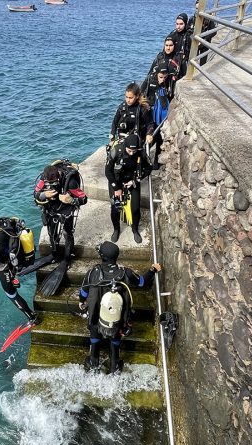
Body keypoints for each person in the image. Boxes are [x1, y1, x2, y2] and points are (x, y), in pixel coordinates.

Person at [79, 241, 162, 373]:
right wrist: (153, 270)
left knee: (94, 333)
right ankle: (115, 365)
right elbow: (142, 282)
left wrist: (81, 302)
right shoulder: (126, 273)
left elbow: (83, 292)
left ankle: (93, 363)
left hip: (96, 316)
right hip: (117, 318)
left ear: (102, 256)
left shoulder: (92, 273)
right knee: (115, 337)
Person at [33, 159, 87, 296]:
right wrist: (44, 195)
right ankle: (55, 253)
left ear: (58, 176)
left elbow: (84, 199)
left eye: (54, 183)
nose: (51, 186)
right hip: (50, 209)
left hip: (66, 210)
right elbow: (35, 194)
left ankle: (67, 258)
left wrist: (71, 199)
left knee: (67, 233)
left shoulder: (70, 181)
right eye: (48, 184)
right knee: (52, 233)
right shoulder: (43, 180)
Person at [106, 88, 153, 244]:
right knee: (115, 207)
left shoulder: (139, 152)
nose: (128, 100)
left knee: (135, 207)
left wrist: (135, 181)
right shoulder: (116, 152)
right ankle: (116, 229)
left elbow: (148, 167)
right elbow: (108, 171)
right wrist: (116, 187)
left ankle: (134, 229)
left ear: (137, 96)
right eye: (126, 97)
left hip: (132, 176)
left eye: (131, 97)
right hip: (118, 178)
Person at [141, 65, 172, 168]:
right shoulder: (150, 80)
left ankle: (156, 163)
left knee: (160, 139)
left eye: (164, 77)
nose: (162, 79)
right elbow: (141, 94)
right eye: (160, 77)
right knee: (149, 138)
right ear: (157, 74)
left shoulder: (168, 82)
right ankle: (142, 160)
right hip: (151, 113)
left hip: (162, 115)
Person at [187, 1, 217, 66]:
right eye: (196, 8)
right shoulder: (192, 19)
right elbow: (188, 31)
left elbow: (214, 31)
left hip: (205, 43)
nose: (198, 10)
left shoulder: (208, 19)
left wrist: (205, 39)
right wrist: (192, 38)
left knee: (203, 64)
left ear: (204, 8)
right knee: (193, 63)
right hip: (195, 44)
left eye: (199, 8)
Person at [167, 13, 191, 78]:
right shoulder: (172, 35)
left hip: (183, 63)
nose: (178, 26)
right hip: (173, 62)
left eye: (181, 24)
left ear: (185, 24)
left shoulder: (188, 36)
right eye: (177, 24)